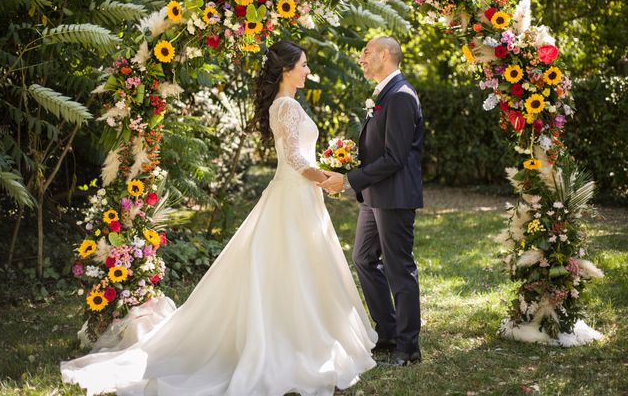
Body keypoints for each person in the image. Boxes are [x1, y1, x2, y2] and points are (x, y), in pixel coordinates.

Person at [60, 40, 377, 395]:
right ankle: (291, 342)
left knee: (298, 266)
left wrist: (325, 178)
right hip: (294, 194)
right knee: (291, 266)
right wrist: (329, 179)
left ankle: (303, 334)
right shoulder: (286, 105)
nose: (307, 71)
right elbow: (294, 159)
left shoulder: (287, 104)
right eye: (303, 65)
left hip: (300, 196)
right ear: (286, 69)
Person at [319, 36, 424, 366]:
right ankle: (388, 332)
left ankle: (409, 347)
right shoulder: (386, 94)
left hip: (393, 197)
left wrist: (348, 180)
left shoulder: (402, 96)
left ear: (384, 54)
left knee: (399, 269)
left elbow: (395, 158)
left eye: (366, 53)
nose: (361, 58)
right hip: (374, 196)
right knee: (363, 259)